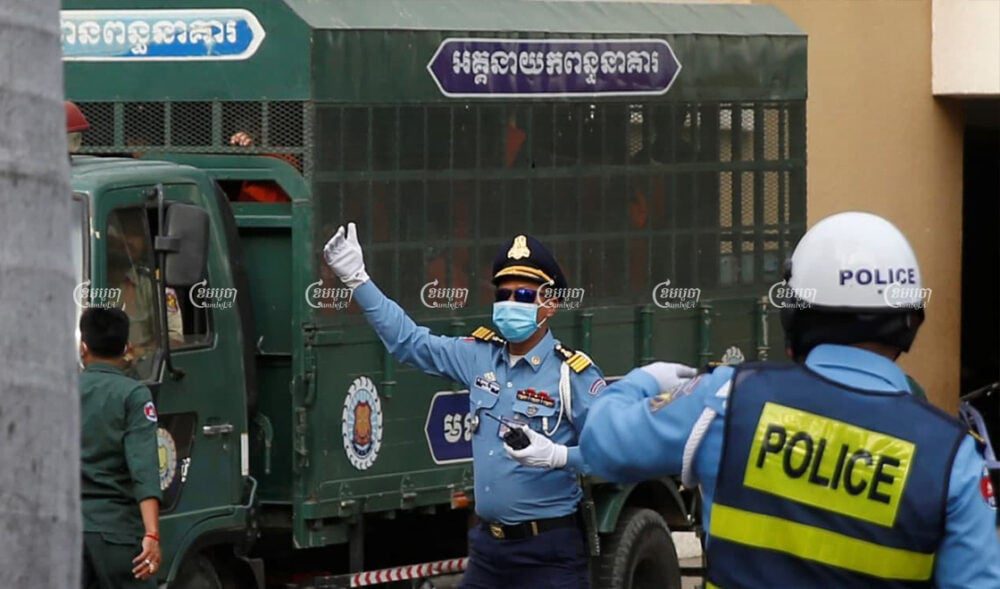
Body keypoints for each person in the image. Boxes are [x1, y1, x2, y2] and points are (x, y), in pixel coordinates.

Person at [580, 211, 1000, 588]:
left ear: (796, 314)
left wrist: (643, 381)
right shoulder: (954, 457)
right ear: (910, 319)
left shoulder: (729, 397)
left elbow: (602, 444)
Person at [323, 224, 605, 588]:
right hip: (489, 550)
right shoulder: (479, 356)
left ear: (550, 303)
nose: (509, 304)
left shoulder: (571, 373)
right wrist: (358, 279)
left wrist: (557, 457)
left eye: (523, 294)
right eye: (503, 295)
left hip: (548, 552)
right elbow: (409, 342)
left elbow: (613, 452)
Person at [79, 308, 162, 588]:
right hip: (116, 536)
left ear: (83, 347)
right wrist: (152, 535)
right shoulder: (133, 394)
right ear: (126, 348)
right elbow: (144, 467)